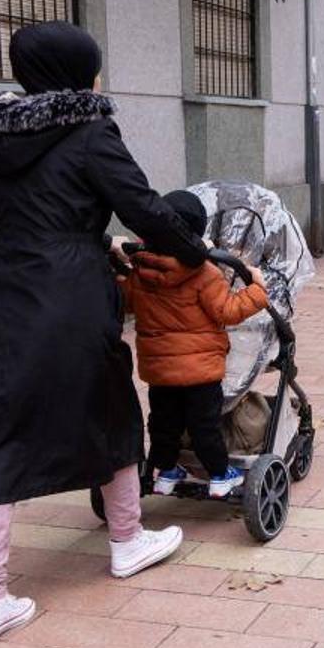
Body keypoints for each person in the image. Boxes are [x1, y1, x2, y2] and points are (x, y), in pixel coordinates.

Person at [0, 22, 209, 645]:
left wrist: (91, 238)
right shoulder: (91, 130)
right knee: (109, 408)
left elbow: (41, 208)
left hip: (6, 285)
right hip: (70, 292)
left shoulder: (1, 134)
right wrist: (195, 253)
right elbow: (143, 205)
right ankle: (127, 540)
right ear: (78, 72)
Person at [119, 190, 269, 499]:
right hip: (200, 372)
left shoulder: (142, 270)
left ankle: (166, 471)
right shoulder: (203, 273)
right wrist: (256, 289)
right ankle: (219, 475)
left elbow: (127, 302)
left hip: (159, 370)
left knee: (163, 423)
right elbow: (228, 311)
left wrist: (120, 273)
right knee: (205, 426)